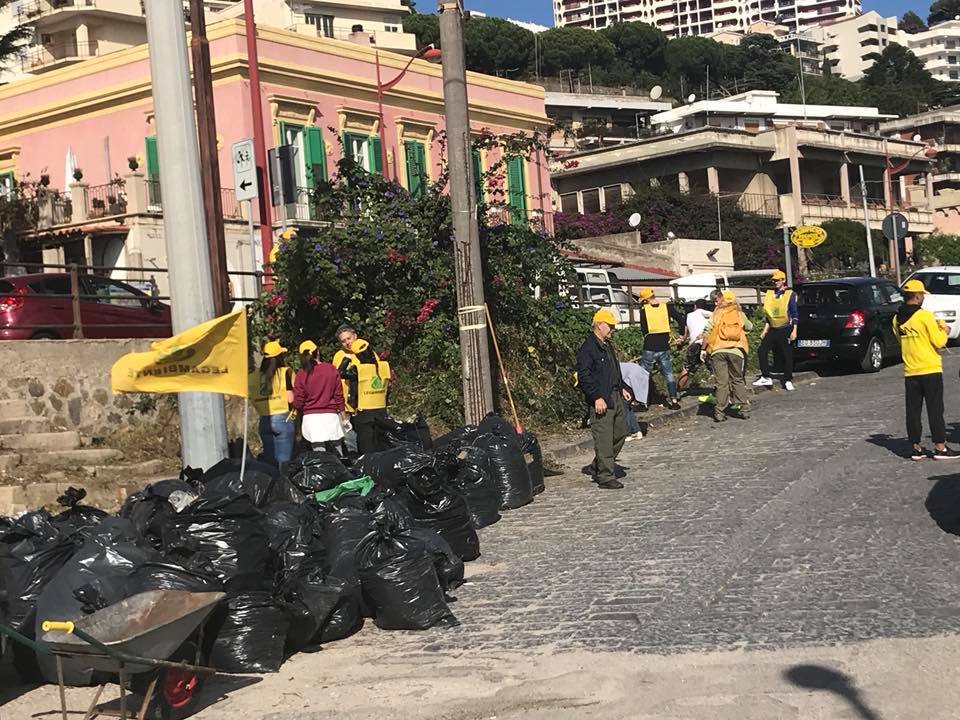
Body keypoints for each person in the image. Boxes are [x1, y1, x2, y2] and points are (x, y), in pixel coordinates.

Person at [894, 279, 959, 461]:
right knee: (935, 409)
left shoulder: (896, 319)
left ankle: (916, 447)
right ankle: (940, 448)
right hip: (930, 368)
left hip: (910, 370)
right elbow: (939, 341)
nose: (923, 297)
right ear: (916, 296)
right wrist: (944, 329)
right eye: (922, 295)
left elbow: (901, 342)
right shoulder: (925, 316)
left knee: (913, 410)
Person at [576, 308, 631, 490]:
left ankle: (598, 464)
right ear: (599, 325)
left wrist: (622, 388)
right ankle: (605, 476)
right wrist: (596, 397)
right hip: (601, 399)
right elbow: (584, 376)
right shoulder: (588, 348)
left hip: (615, 395)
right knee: (604, 438)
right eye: (610, 326)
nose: (612, 330)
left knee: (621, 432)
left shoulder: (607, 345)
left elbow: (614, 370)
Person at [702, 289, 753, 423]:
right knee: (737, 380)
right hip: (736, 351)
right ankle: (744, 410)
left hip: (718, 351)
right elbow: (749, 327)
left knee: (722, 383)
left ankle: (719, 412)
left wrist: (703, 349)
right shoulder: (739, 313)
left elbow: (707, 331)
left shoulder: (716, 314)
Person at [337, 338, 392, 455]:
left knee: (366, 448)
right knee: (381, 445)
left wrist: (347, 357)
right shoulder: (384, 366)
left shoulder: (358, 369)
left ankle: (368, 471)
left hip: (364, 413)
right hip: (382, 411)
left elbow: (339, 373)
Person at [292, 340, 347, 453]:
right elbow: (339, 396)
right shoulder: (331, 369)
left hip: (311, 419)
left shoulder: (301, 374)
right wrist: (344, 418)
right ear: (317, 352)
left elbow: (298, 401)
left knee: (319, 454)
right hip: (331, 417)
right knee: (338, 449)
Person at [249, 340, 295, 467]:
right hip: (283, 419)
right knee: (284, 463)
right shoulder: (284, 372)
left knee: (270, 464)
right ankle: (283, 485)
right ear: (280, 357)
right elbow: (291, 399)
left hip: (264, 420)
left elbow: (250, 397)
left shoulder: (253, 377)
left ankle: (271, 485)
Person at [754, 269, 798, 391]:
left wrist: (794, 331)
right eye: (773, 280)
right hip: (773, 328)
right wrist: (764, 331)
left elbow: (794, 314)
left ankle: (788, 379)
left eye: (777, 280)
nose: (774, 282)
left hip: (786, 328)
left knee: (786, 354)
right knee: (762, 350)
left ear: (783, 280)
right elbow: (769, 315)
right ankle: (766, 376)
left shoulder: (790, 294)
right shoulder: (771, 295)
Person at [637, 287, 681, 410]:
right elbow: (680, 318)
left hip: (649, 347)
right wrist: (682, 334)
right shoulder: (666, 307)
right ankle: (673, 400)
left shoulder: (643, 311)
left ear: (645, 300)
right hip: (664, 347)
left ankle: (643, 403)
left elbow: (643, 330)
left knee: (644, 374)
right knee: (669, 374)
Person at [676, 298, 713, 393]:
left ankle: (677, 391)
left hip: (694, 344)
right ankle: (724, 390)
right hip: (707, 343)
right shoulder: (708, 313)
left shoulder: (688, 315)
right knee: (715, 368)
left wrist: (681, 341)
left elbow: (685, 335)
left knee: (686, 368)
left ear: (695, 306)